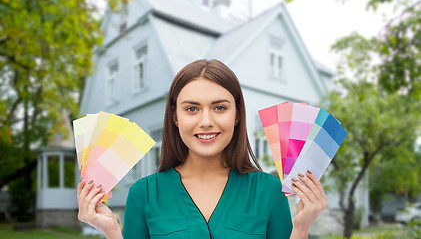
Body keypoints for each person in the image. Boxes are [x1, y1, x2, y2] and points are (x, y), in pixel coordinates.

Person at [77, 59, 327, 239]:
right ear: (175, 117)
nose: (206, 121)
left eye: (219, 107)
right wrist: (111, 231)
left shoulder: (269, 191)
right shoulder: (143, 194)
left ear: (237, 115)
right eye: (192, 109)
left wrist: (302, 227)